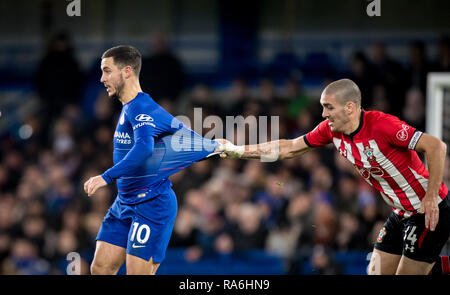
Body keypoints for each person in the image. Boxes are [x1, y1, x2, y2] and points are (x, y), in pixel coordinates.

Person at [218, 78, 450, 275]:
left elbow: (436, 146)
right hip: (400, 213)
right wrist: (238, 150)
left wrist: (430, 197)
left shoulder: (383, 125)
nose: (323, 113)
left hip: (428, 210)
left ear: (349, 107)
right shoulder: (330, 130)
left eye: (329, 107)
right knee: (376, 271)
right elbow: (288, 147)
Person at [83, 45, 219, 275]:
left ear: (126, 71)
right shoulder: (127, 108)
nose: (101, 78)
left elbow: (144, 148)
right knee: (100, 268)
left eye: (107, 71)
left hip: (151, 202)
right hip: (124, 201)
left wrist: (106, 177)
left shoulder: (141, 107)